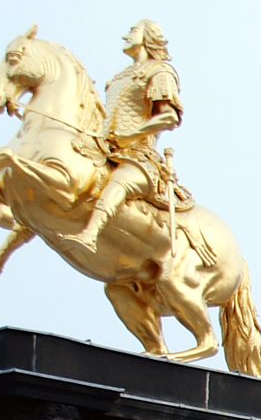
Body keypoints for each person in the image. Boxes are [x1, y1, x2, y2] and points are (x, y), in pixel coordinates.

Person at [59, 20, 188, 253]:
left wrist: (131, 134)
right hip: (107, 148)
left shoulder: (159, 72)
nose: (126, 36)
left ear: (148, 37)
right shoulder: (121, 77)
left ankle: (90, 235)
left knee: (120, 182)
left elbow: (169, 117)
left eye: (133, 31)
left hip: (139, 156)